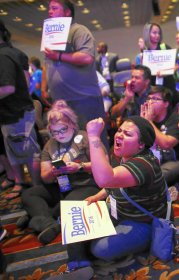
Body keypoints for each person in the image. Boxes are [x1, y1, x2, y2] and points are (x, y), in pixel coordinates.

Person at [52, 116, 167, 278]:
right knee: (78, 211)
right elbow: (110, 179)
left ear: (141, 145)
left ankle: (144, 242)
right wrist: (96, 195)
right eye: (119, 130)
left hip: (143, 223)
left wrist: (93, 136)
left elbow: (106, 178)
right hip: (120, 210)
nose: (119, 135)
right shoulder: (123, 154)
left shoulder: (144, 165)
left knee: (100, 249)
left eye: (127, 134)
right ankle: (79, 263)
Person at [18, 100, 102, 245]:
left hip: (86, 185)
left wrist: (80, 167)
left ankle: (38, 216)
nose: (59, 134)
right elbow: (45, 177)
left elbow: (102, 165)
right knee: (29, 194)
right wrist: (52, 172)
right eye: (55, 131)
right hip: (62, 187)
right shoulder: (50, 145)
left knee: (67, 206)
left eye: (63, 129)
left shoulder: (85, 137)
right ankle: (47, 222)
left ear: (72, 124)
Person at [44, 0, 108, 149]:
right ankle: (80, 172)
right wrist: (44, 88)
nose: (50, 11)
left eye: (54, 8)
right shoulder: (51, 35)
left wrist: (59, 56)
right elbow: (47, 62)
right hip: (61, 101)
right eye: (49, 8)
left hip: (83, 98)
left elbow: (86, 57)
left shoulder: (78, 30)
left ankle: (101, 172)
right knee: (71, 145)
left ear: (67, 12)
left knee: (94, 142)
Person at [0, 19, 41, 199]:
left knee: (27, 152)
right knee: (19, 150)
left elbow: (8, 88)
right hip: (20, 110)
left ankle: (35, 187)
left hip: (14, 112)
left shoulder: (2, 56)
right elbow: (25, 82)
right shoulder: (17, 53)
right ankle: (25, 183)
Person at [140, 86, 179, 187]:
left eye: (155, 99)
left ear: (166, 104)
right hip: (154, 159)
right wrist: (141, 124)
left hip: (178, 161)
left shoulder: (177, 120)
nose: (150, 102)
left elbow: (166, 144)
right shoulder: (144, 118)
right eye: (148, 98)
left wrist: (148, 122)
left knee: (156, 177)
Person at [143, 23, 179, 109]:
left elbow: (177, 66)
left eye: (159, 33)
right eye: (154, 33)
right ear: (147, 34)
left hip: (168, 86)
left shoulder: (164, 47)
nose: (157, 35)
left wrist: (165, 73)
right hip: (154, 89)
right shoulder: (146, 53)